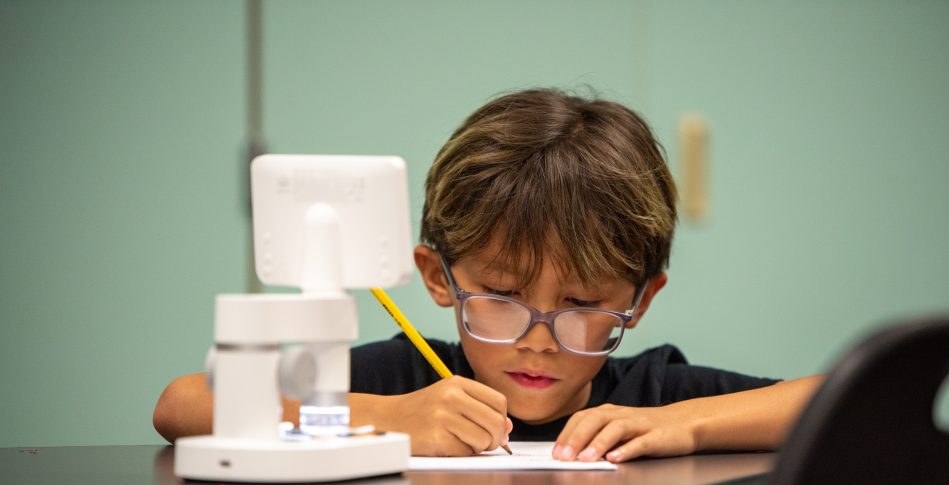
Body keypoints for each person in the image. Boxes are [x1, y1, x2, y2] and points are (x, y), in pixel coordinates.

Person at [153, 87, 822, 460]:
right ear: (437, 276)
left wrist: (689, 424)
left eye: (583, 300)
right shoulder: (406, 385)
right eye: (501, 294)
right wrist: (388, 420)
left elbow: (838, 404)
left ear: (641, 301)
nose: (539, 339)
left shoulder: (648, 398)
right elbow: (184, 404)